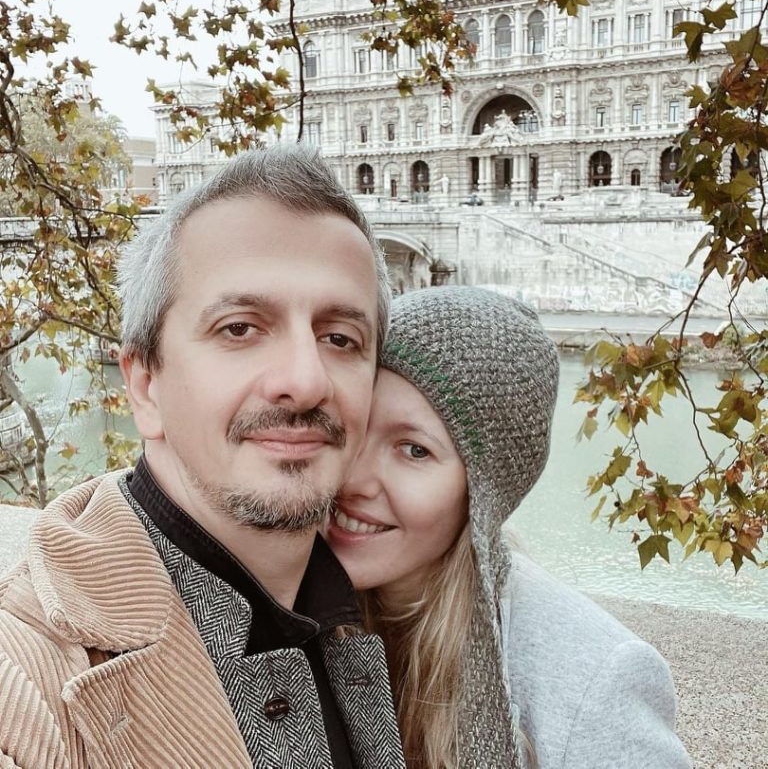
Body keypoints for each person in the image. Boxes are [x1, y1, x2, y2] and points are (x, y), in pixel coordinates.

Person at [0, 146, 405, 768]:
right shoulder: (22, 682)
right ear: (145, 387)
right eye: (239, 328)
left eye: (339, 338)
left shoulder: (386, 608)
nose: (306, 380)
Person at [325, 286, 691, 769]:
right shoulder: (285, 603)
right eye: (352, 428)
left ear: (485, 491)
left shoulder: (596, 679)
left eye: (415, 450)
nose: (353, 480)